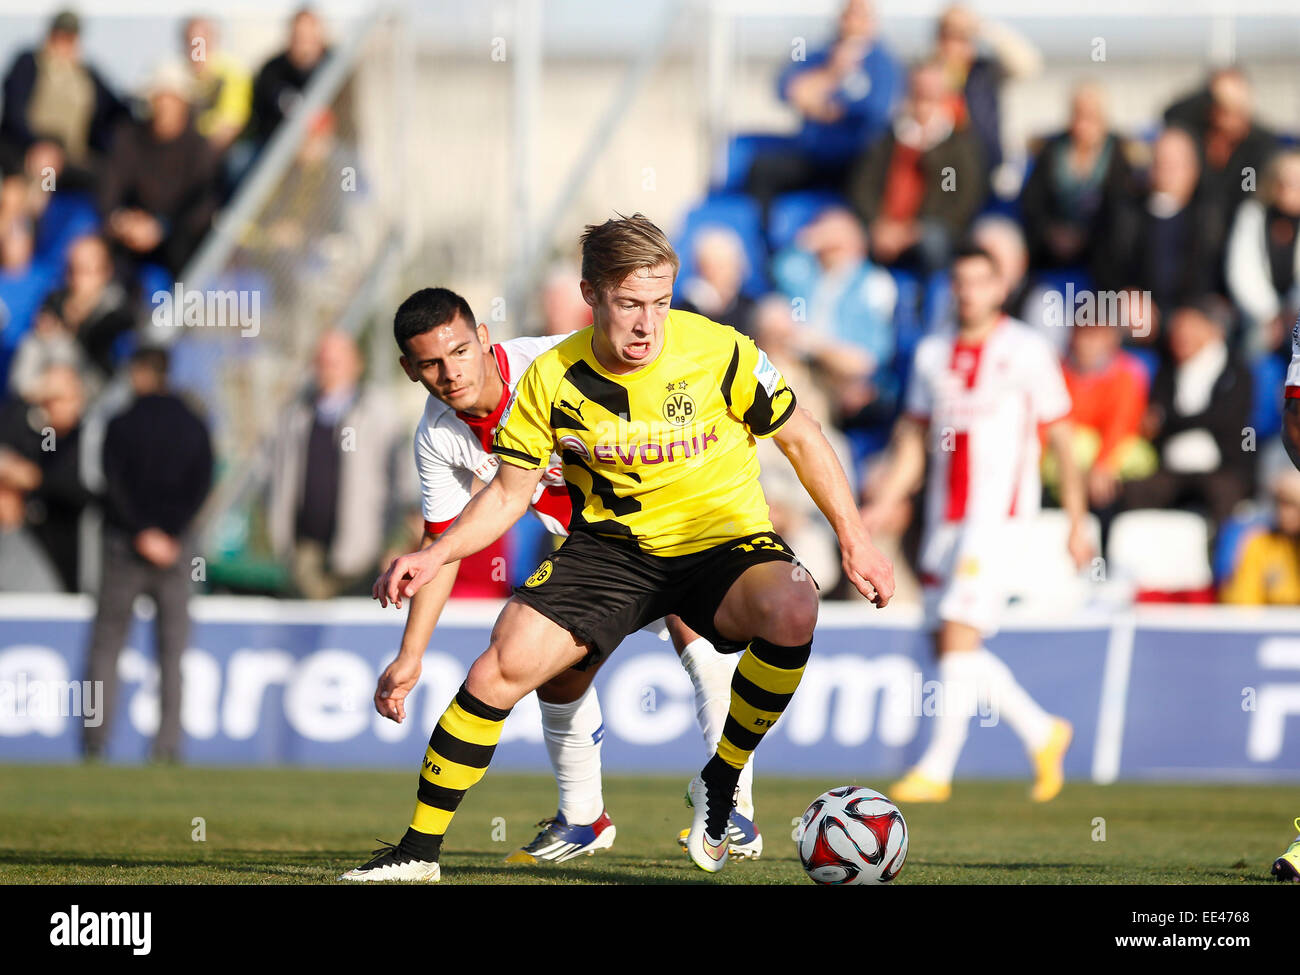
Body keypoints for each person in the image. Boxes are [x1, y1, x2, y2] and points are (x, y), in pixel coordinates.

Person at [341, 213, 894, 881]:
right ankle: (423, 852)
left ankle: (722, 784)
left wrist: (855, 537)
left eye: (660, 302)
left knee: (789, 606)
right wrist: (429, 569)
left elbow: (801, 437)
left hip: (716, 538)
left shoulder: (720, 350)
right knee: (503, 665)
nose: (647, 323)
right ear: (592, 296)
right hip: (608, 548)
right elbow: (509, 495)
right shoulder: (550, 378)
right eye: (630, 303)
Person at [369, 286, 763, 864]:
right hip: (591, 553)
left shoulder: (551, 363)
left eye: (458, 351)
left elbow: (651, 372)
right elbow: (441, 546)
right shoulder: (437, 436)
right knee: (547, 667)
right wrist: (411, 654)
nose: (450, 373)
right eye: (430, 363)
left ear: (483, 338)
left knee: (698, 641)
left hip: (665, 517)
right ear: (410, 370)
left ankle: (734, 813)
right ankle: (582, 818)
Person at [863, 244, 1091, 803]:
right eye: (959, 282)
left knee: (960, 631)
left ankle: (937, 770)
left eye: (979, 282)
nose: (968, 292)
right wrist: (881, 502)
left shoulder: (1027, 350)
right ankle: (1043, 731)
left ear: (1000, 288)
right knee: (948, 640)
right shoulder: (932, 353)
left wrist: (1078, 519)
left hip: (1000, 515)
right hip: (946, 515)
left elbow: (1061, 436)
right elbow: (914, 442)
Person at [83, 346, 213, 762]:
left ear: (140, 373)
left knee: (107, 645)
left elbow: (111, 484)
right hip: (176, 550)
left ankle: (95, 742)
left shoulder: (120, 423)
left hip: (126, 546)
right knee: (172, 651)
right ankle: (168, 745)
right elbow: (201, 483)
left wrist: (141, 531)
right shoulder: (194, 424)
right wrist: (172, 533)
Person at [267, 329, 406, 598]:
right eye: (321, 362)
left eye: (335, 362)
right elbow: (272, 471)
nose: (326, 370)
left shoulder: (378, 411)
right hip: (305, 549)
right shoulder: (296, 412)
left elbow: (400, 479)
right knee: (304, 629)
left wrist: (394, 540)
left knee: (352, 632)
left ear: (356, 364)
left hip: (363, 552)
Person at [744, 0, 903, 229]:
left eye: (861, 16)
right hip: (813, 156)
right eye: (849, 15)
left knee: (877, 181)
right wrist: (832, 73)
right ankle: (765, 242)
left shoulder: (883, 62)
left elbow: (874, 111)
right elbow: (787, 90)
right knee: (762, 170)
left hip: (857, 160)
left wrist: (824, 105)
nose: (853, 22)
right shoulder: (818, 54)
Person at [1119, 298, 1253, 531]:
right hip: (1170, 468)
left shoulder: (1236, 370)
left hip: (1221, 468)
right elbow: (1152, 421)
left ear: (1212, 330)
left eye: (1190, 327)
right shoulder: (1167, 370)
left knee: (1225, 495)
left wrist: (1170, 420)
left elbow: (1226, 419)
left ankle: (1222, 563)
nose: (1181, 335)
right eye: (1177, 329)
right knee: (1130, 491)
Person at [847, 60, 985, 274]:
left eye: (930, 95)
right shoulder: (886, 140)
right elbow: (864, 186)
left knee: (933, 242)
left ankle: (933, 300)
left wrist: (912, 231)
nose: (922, 103)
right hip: (883, 226)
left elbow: (954, 196)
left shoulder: (956, 147)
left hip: (927, 230)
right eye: (917, 94)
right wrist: (879, 223)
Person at [99, 61, 219, 279]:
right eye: (159, 97)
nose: (164, 105)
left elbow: (202, 204)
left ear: (183, 102)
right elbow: (109, 188)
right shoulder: (128, 137)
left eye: (171, 98)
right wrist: (121, 221)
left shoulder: (199, 147)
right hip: (130, 234)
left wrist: (162, 228)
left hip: (179, 240)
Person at [0, 9, 126, 187]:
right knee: (46, 172)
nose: (63, 42)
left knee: (107, 176)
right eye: (60, 35)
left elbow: (115, 108)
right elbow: (14, 110)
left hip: (74, 154)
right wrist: (37, 143)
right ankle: (40, 209)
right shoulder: (29, 62)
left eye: (70, 37)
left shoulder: (87, 74)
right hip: (34, 148)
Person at [1020, 83, 1136, 275]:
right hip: (1052, 246)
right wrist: (1051, 231)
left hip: (1103, 248)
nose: (1084, 122)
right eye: (1079, 114)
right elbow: (1033, 202)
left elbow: (1125, 208)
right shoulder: (1050, 150)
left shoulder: (1122, 153)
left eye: (1091, 115)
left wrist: (1087, 236)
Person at [1225, 149, 1300, 356]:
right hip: (1258, 317)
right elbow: (1242, 272)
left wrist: (1293, 314)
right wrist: (1270, 315)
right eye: (1284, 181)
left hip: (1296, 316)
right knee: (1254, 345)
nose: (1289, 188)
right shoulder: (1252, 216)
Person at [1220, 467, 1300, 605]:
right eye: (1278, 502)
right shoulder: (1259, 544)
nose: (1282, 511)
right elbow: (1243, 603)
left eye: (1290, 503)